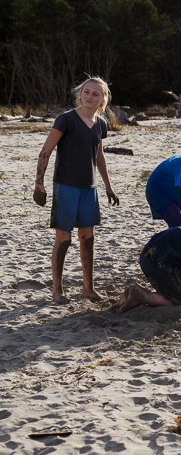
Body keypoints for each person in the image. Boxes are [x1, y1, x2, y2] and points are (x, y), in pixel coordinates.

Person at [34, 76, 119, 304]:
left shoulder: (100, 124)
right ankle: (58, 292)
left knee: (87, 237)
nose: (90, 96)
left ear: (103, 99)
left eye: (96, 94)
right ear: (80, 93)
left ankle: (88, 289)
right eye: (87, 92)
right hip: (66, 187)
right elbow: (46, 151)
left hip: (88, 189)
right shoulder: (66, 120)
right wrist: (39, 184)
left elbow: (99, 156)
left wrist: (108, 187)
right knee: (64, 238)